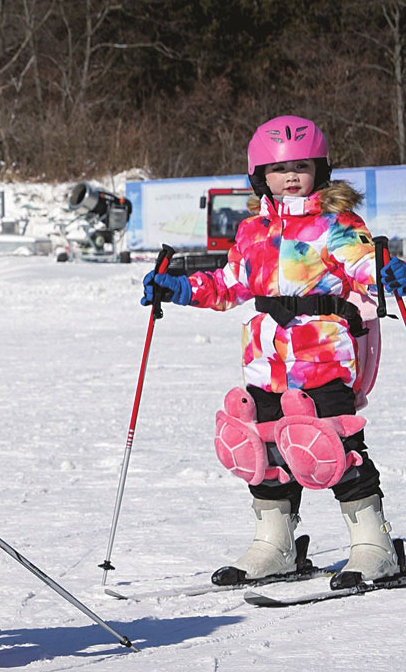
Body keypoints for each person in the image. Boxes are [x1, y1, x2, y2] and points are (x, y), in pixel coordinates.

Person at [143, 114, 406, 591]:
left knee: (335, 449)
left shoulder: (338, 224)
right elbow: (229, 284)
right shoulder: (252, 231)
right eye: (278, 169)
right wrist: (180, 288)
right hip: (266, 363)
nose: (290, 177)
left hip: (323, 358)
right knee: (263, 451)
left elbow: (367, 265)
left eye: (301, 167)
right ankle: (274, 545)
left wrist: (390, 271)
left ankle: (374, 546)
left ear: (319, 170)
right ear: (259, 176)